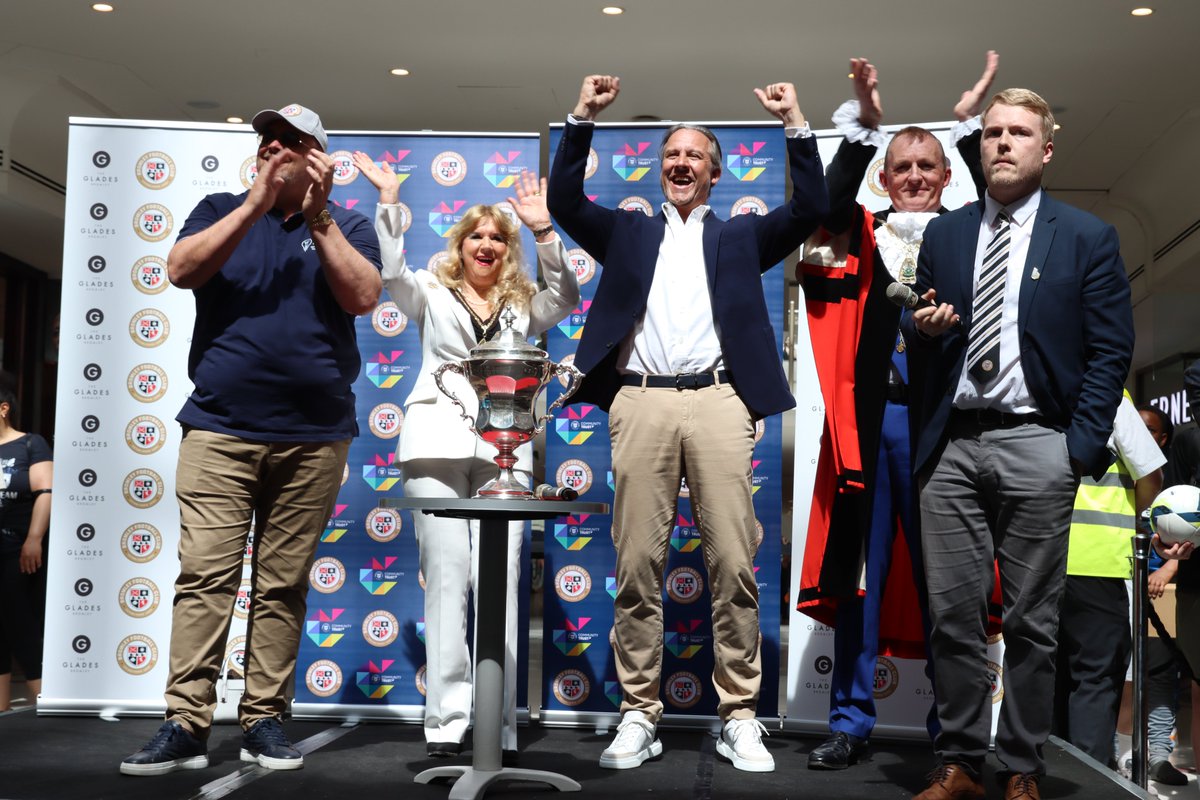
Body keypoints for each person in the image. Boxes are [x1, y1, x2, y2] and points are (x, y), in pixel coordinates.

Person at [547, 74, 828, 773]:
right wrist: (582, 116)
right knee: (638, 564)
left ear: (715, 171)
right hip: (639, 401)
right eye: (671, 154)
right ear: (659, 166)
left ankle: (739, 716)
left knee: (733, 562)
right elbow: (561, 201)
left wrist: (794, 121)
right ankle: (639, 712)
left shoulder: (740, 237)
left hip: (722, 401)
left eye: (694, 155)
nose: (680, 163)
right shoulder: (628, 231)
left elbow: (812, 207)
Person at [121, 104, 382, 775]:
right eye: (268, 138)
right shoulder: (217, 206)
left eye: (293, 140)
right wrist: (256, 203)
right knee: (206, 575)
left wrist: (318, 217)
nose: (275, 146)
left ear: (319, 157)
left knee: (283, 584)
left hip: (314, 436)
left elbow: (362, 296)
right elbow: (179, 270)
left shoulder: (347, 224)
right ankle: (185, 722)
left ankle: (263, 718)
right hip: (220, 428)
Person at [906, 88, 1135, 800]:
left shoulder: (1087, 236)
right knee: (951, 618)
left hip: (1041, 442)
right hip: (953, 447)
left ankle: (1023, 768)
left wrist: (1077, 449)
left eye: (1018, 133)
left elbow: (1109, 351)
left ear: (1046, 147)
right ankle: (961, 763)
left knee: (1034, 623)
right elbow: (919, 328)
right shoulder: (944, 235)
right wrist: (928, 328)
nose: (1003, 143)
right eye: (993, 133)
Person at [799, 53, 994, 771]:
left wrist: (973, 127)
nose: (913, 176)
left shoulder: (973, 234)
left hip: (946, 428)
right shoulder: (860, 231)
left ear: (947, 177)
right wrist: (862, 128)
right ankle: (850, 720)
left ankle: (957, 732)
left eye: (927, 166)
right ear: (886, 177)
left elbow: (1009, 201)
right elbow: (825, 206)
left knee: (953, 584)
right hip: (872, 426)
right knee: (858, 577)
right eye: (901, 166)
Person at [352, 152, 579, 760]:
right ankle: (449, 721)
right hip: (433, 446)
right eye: (476, 235)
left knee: (501, 582)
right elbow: (392, 270)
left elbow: (568, 294)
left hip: (506, 454)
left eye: (498, 237)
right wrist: (389, 201)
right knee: (446, 581)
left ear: (508, 249)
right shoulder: (430, 289)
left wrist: (541, 229)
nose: (486, 244)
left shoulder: (524, 303)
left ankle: (495, 723)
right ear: (461, 244)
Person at [1052, 393, 1163, 768]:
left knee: (1043, 674)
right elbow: (1149, 473)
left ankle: (1033, 778)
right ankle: (1088, 782)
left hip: (1033, 560)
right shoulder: (1107, 393)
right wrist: (1139, 524)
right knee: (1095, 678)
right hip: (1096, 560)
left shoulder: (1030, 388)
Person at [0, 376, 52, 711]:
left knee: (21, 624)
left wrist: (34, 538)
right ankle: (2, 709)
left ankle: (43, 706)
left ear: (3, 409)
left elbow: (45, 493)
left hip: (16, 548)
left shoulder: (30, 444)